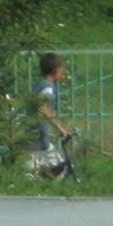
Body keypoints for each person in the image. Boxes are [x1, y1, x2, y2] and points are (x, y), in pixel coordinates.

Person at [29, 51, 73, 179]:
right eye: (61, 70)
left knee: (59, 165)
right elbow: (42, 108)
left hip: (41, 139)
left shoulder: (40, 85)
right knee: (35, 173)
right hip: (36, 139)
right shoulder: (47, 88)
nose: (63, 73)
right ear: (55, 71)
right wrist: (60, 128)